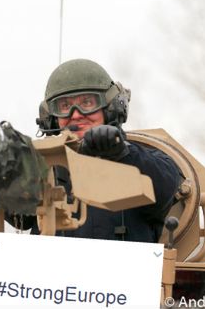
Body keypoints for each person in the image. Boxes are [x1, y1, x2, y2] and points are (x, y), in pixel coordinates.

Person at [10, 58, 183, 243]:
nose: (75, 115)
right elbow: (15, 212)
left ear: (111, 107)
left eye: (87, 103)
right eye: (65, 106)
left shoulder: (142, 159)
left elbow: (165, 188)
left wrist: (120, 153)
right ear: (51, 118)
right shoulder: (42, 168)